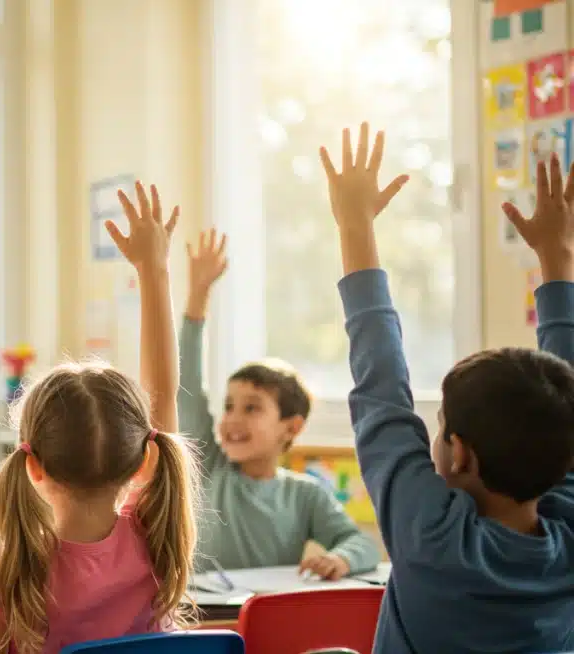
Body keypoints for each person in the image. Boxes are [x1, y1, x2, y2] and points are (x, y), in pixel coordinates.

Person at [324, 123, 574, 653]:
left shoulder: (430, 537)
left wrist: (353, 225)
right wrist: (558, 256)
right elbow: (383, 395)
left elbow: (382, 392)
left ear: (459, 454)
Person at [0, 182, 200, 654]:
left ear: (33, 466)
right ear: (144, 461)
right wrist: (154, 271)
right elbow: (165, 395)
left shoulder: (10, 570)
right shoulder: (156, 542)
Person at [178, 228, 380, 577]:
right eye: (229, 406)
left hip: (265, 616)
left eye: (252, 407)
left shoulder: (305, 495)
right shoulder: (209, 467)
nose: (232, 419)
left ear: (291, 427)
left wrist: (339, 559)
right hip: (207, 616)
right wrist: (197, 296)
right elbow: (188, 387)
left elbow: (361, 545)